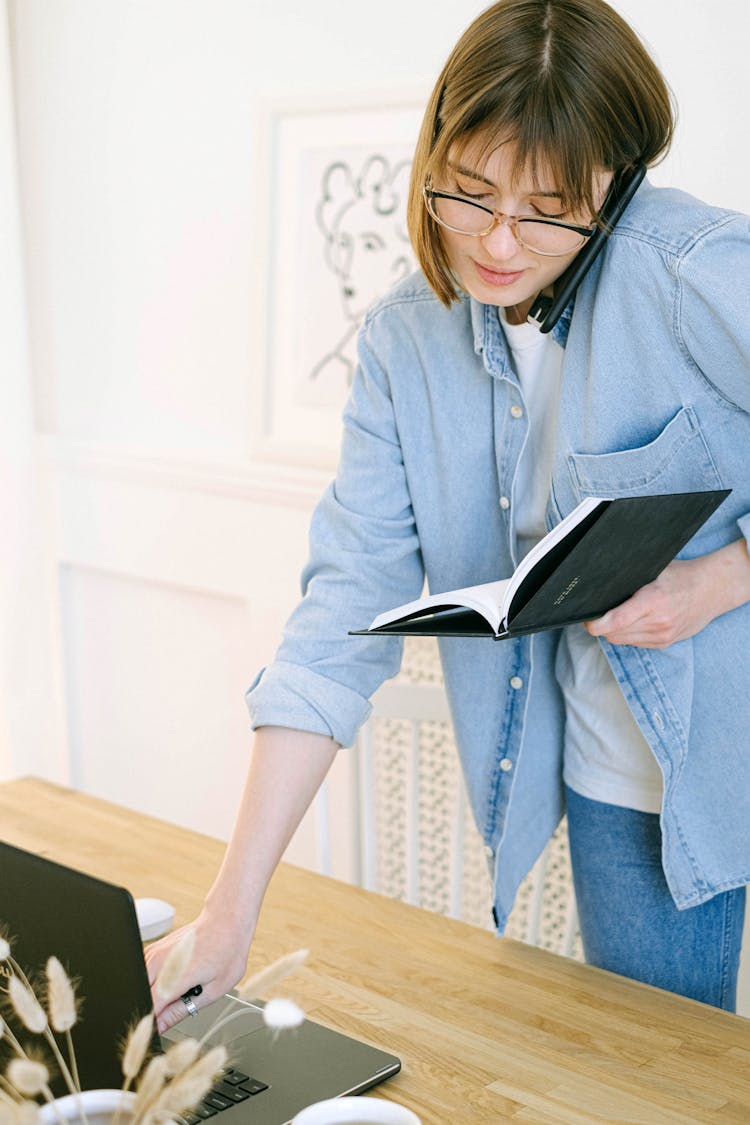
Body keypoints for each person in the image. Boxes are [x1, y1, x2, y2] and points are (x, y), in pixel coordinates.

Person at [146, 0, 750, 1029]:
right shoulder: (401, 345)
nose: (500, 245)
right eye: (467, 197)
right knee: (658, 1070)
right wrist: (228, 912)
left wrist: (721, 578)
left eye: (550, 209)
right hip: (633, 768)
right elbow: (341, 619)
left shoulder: (696, 270)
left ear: (619, 183)